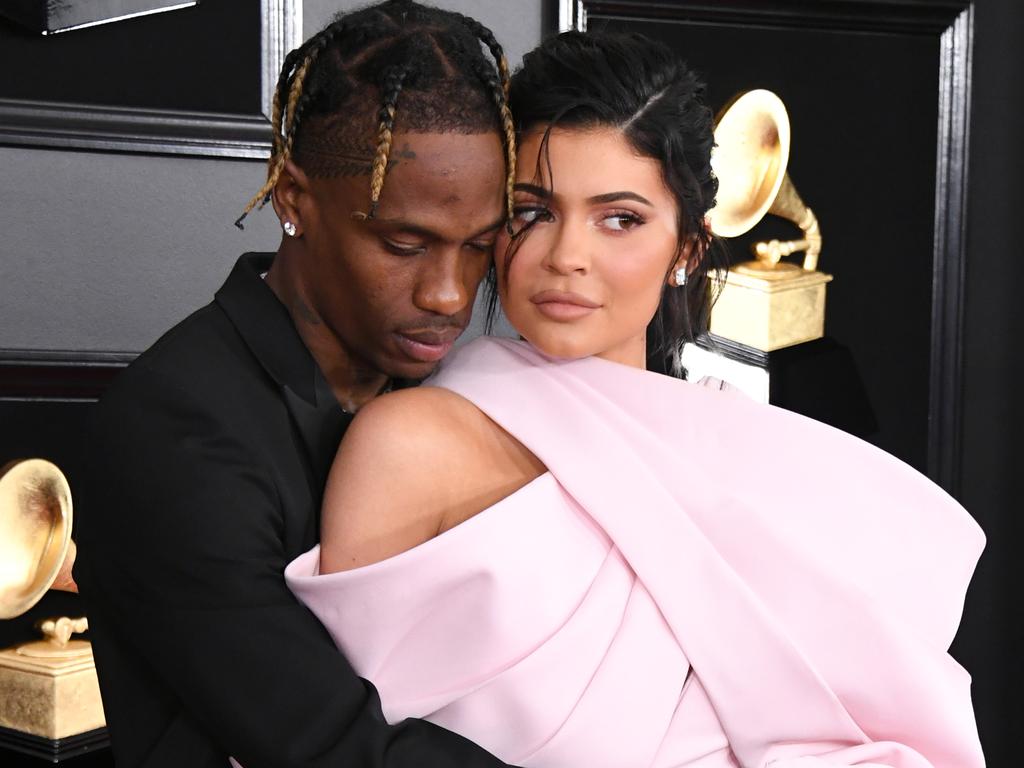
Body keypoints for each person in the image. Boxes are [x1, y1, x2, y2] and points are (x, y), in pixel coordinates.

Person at [286, 30, 987, 768]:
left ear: (686, 248)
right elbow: (336, 740)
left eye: (620, 218)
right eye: (533, 211)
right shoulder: (409, 442)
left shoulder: (739, 446)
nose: (567, 257)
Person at [74, 2, 524, 766]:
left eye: (479, 247)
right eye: (404, 243)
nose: (449, 294)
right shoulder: (172, 430)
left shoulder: (454, 397)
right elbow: (330, 749)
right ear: (293, 199)